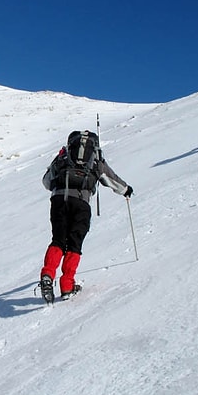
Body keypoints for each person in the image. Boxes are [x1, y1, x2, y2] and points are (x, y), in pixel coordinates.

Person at [39, 130, 133, 303]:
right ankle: (67, 286)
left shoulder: (63, 157)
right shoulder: (96, 160)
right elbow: (112, 179)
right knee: (75, 243)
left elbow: (46, 181)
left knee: (58, 240)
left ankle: (47, 275)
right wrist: (126, 190)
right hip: (82, 203)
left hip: (59, 200)